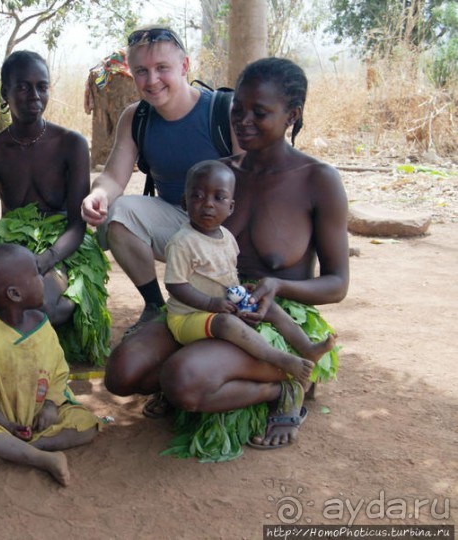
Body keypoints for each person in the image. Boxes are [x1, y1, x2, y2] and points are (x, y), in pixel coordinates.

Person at [104, 57, 349, 452]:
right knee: (121, 373)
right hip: (211, 306)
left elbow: (337, 284)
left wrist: (276, 284)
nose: (243, 120)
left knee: (182, 380)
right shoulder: (218, 177)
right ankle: (214, 370)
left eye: (259, 112)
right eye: (238, 109)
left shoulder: (318, 180)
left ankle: (284, 386)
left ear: (292, 115)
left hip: (275, 316)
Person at [0, 49, 111, 366]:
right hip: (8, 247)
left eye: (42, 86)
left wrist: (43, 262)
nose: (34, 95)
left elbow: (76, 226)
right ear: (4, 93)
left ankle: (26, 369)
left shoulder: (72, 144)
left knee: (46, 305)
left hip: (63, 248)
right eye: (23, 87)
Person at [80, 25, 236, 335]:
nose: (152, 81)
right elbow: (113, 176)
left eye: (162, 68)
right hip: (180, 226)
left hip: (230, 230)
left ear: (184, 66)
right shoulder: (135, 117)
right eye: (141, 71)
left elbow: (255, 181)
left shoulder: (223, 111)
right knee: (117, 213)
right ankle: (154, 306)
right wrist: (97, 195)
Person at [164, 160, 336, 388]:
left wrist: (241, 294)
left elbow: (225, 276)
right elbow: (175, 285)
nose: (208, 204)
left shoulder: (227, 237)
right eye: (197, 196)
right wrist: (211, 303)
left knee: (270, 307)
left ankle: (307, 347)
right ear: (185, 202)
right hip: (188, 318)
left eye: (219, 198)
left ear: (231, 207)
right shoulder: (183, 243)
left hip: (221, 306)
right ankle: (281, 360)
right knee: (226, 323)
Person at [0, 244, 101, 486]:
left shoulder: (42, 324)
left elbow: (57, 371)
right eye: (37, 274)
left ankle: (16, 449)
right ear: (15, 294)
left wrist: (51, 406)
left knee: (87, 424)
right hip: (0, 420)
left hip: (41, 416)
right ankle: (42, 458)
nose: (43, 279)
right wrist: (6, 424)